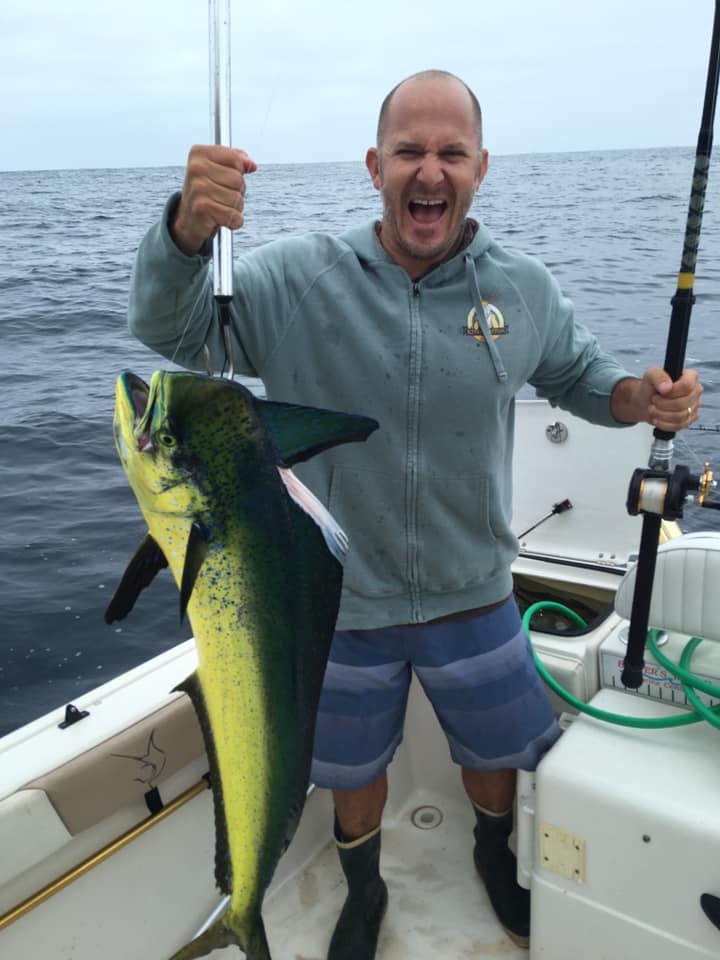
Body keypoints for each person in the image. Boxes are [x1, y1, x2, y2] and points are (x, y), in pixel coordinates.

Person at [128, 70, 702, 955]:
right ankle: (364, 887)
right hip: (340, 603)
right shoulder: (293, 277)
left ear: (480, 168)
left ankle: (491, 851)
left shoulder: (523, 287)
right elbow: (170, 331)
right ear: (374, 165)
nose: (428, 172)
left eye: (450, 153)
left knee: (495, 752)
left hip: (475, 589)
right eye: (408, 152)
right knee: (353, 771)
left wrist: (643, 397)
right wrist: (184, 232)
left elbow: (586, 381)